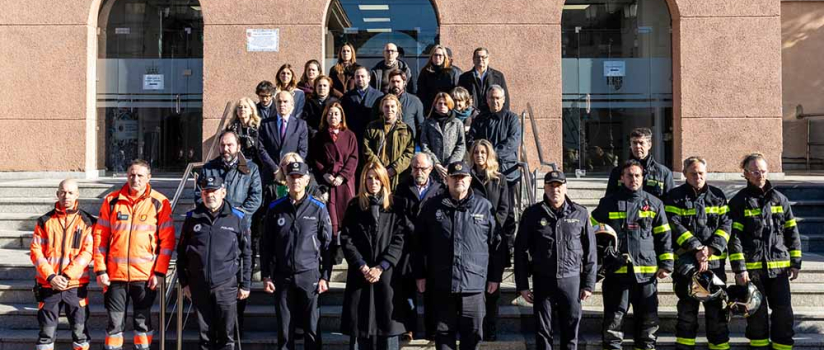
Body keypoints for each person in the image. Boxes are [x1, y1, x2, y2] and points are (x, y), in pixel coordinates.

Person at [414, 161, 501, 350]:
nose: (458, 180)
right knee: (444, 337)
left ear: (470, 180)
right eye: (454, 177)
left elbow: (496, 246)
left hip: (474, 285)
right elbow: (419, 244)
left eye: (463, 177)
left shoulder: (484, 207)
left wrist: (495, 277)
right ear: (447, 180)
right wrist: (420, 274)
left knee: (473, 337)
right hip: (442, 284)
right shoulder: (432, 207)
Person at [591, 159, 674, 350]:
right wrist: (604, 255)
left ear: (643, 177)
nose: (634, 179)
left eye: (637, 175)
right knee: (614, 319)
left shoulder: (654, 203)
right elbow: (592, 229)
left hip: (646, 274)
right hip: (617, 273)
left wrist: (666, 264)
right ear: (622, 178)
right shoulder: (608, 203)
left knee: (648, 320)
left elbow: (664, 235)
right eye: (629, 175)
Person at [93, 159, 176, 350]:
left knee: (142, 324)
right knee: (114, 325)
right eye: (131, 174)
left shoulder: (160, 202)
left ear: (149, 178)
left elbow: (167, 242)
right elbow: (100, 238)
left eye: (140, 175)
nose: (135, 179)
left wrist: (160, 273)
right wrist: (100, 270)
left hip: (145, 277)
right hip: (115, 276)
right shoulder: (111, 201)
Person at [514, 170, 597, 350]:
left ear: (565, 187)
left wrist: (589, 284)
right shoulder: (532, 214)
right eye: (551, 186)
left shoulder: (580, 213)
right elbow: (520, 251)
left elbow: (591, 251)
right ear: (545, 188)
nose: (555, 189)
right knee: (543, 332)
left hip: (571, 280)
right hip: (543, 279)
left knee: (571, 330)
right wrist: (522, 285)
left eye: (559, 185)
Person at [728, 153, 801, 350]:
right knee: (756, 316)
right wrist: (739, 269)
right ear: (745, 173)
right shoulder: (739, 202)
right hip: (753, 271)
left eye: (763, 171)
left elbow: (792, 233)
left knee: (784, 314)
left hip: (779, 269)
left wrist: (795, 262)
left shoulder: (780, 199)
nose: (760, 175)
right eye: (755, 172)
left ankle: (782, 347)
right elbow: (734, 239)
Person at [194, 130, 262, 332]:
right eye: (223, 145)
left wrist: (235, 216)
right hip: (213, 229)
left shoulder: (251, 169)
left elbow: (256, 197)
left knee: (239, 277)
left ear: (238, 147)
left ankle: (236, 325)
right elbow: (199, 195)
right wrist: (215, 213)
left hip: (240, 228)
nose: (226, 149)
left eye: (230, 145)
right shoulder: (209, 169)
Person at [260, 161, 333, 350]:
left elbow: (327, 245)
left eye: (300, 177)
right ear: (286, 180)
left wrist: (325, 276)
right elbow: (266, 244)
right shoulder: (275, 208)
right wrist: (266, 274)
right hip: (282, 276)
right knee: (285, 333)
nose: (296, 181)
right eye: (292, 177)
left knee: (312, 330)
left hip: (309, 275)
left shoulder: (318, 208)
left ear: (307, 180)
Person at [340, 162, 411, 350]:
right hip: (360, 275)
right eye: (369, 178)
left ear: (384, 180)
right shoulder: (354, 206)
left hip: (387, 276)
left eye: (377, 178)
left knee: (387, 330)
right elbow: (347, 238)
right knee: (360, 331)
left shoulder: (397, 205)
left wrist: (381, 267)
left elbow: (400, 239)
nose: (373, 182)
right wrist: (361, 265)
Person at [664, 156, 732, 350]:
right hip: (687, 264)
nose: (698, 177)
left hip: (714, 264)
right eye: (693, 173)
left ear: (706, 173)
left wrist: (710, 250)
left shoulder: (718, 196)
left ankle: (719, 347)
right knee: (687, 310)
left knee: (716, 310)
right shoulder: (674, 196)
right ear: (684, 174)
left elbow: (726, 225)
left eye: (701, 173)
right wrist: (696, 248)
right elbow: (674, 225)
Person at [177, 176, 252, 350]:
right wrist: (184, 282)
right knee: (205, 338)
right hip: (198, 285)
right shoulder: (192, 217)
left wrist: (245, 284)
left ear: (223, 193)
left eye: (214, 191)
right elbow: (181, 252)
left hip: (226, 285)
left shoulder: (237, 217)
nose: (210, 195)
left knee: (227, 336)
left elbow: (247, 253)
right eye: (206, 192)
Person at [31, 179, 94, 350]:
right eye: (63, 192)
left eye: (71, 192)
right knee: (46, 335)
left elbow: (87, 253)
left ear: (77, 195)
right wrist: (51, 277)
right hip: (48, 286)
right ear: (57, 194)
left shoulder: (87, 221)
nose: (66, 196)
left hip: (75, 286)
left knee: (80, 334)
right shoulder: (44, 221)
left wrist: (66, 276)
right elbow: (36, 252)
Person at [393, 153, 444, 340]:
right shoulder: (402, 188)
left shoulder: (440, 189)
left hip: (431, 247)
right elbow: (399, 215)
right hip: (408, 246)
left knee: (432, 290)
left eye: (422, 168)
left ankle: (432, 329)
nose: (419, 171)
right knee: (407, 290)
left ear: (430, 169)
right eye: (415, 168)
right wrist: (414, 229)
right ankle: (409, 328)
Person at [467, 139, 512, 341]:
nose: (479, 156)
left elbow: (504, 208)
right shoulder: (467, 178)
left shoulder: (499, 179)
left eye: (483, 152)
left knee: (493, 289)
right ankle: (475, 328)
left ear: (489, 155)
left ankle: (491, 328)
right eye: (476, 152)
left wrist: (492, 227)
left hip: (494, 240)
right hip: (473, 239)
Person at [310, 101, 359, 239]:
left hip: (345, 181)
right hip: (328, 180)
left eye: (336, 114)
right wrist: (325, 173)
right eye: (330, 114)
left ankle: (346, 241)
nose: (333, 116)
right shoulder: (319, 136)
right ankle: (331, 242)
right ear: (325, 116)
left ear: (341, 116)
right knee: (329, 214)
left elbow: (354, 157)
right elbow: (316, 158)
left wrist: (342, 176)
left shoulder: (350, 135)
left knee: (347, 211)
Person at [467, 85, 521, 190]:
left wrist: (491, 154)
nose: (494, 101)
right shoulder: (479, 119)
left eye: (497, 98)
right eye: (491, 98)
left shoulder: (512, 118)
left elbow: (513, 141)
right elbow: (470, 141)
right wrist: (482, 154)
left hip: (506, 171)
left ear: (503, 99)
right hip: (483, 173)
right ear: (487, 100)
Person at [362, 94, 415, 190]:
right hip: (376, 175)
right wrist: (380, 169)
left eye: (392, 106)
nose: (389, 109)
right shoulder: (372, 127)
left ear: (397, 108)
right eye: (386, 106)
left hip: (399, 176)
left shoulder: (406, 130)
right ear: (382, 108)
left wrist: (394, 169)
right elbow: (366, 148)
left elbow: (409, 153)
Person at [605, 128, 674, 200]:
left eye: (641, 143)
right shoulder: (618, 172)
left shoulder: (663, 173)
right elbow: (608, 200)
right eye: (634, 143)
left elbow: (670, 202)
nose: (638, 146)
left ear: (649, 145)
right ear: (630, 145)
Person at [258, 91, 309, 187]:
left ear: (292, 105)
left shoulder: (300, 124)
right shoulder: (265, 124)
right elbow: (261, 149)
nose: (282, 104)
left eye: (285, 101)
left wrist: (290, 168)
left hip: (292, 175)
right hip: (270, 174)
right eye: (279, 101)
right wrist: (275, 169)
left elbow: (303, 150)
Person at [420, 92, 466, 180]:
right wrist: (436, 163)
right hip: (433, 168)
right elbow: (424, 145)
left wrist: (451, 164)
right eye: (440, 103)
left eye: (445, 104)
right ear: (435, 105)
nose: (442, 106)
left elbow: (461, 145)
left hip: (453, 168)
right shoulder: (428, 123)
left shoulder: (457, 123)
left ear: (450, 105)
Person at [458, 47, 510, 112]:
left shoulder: (498, 76)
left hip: (492, 114)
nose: (480, 59)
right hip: (472, 115)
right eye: (478, 57)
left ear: (488, 60)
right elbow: (460, 97)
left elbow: (505, 99)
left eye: (483, 57)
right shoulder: (464, 78)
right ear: (473, 60)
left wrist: (503, 115)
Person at [341, 65, 384, 144]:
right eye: (357, 77)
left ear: (369, 78)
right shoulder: (347, 97)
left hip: (373, 137)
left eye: (362, 76)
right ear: (354, 79)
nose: (360, 79)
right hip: (354, 137)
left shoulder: (379, 96)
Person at [416, 45, 461, 114]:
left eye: (440, 55)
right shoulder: (425, 72)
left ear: (444, 57)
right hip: (430, 109)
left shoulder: (453, 72)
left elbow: (457, 92)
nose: (437, 57)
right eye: (435, 55)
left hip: (448, 109)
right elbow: (421, 92)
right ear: (431, 57)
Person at [380, 69, 424, 140]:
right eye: (393, 81)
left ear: (404, 83)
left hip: (408, 143)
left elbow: (421, 125)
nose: (395, 84)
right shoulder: (381, 101)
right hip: (386, 142)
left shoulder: (414, 101)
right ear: (389, 83)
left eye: (398, 81)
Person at [226, 97, 262, 165]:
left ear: (251, 111)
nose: (242, 109)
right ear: (236, 112)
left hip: (256, 162)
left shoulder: (258, 126)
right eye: (240, 107)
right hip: (236, 162)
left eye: (245, 107)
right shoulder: (231, 128)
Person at [302, 75, 338, 139]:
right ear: (315, 87)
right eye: (319, 85)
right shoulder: (309, 102)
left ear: (329, 87)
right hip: (313, 137)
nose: (322, 88)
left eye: (325, 85)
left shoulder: (335, 102)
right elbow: (305, 120)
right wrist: (313, 132)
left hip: (330, 136)